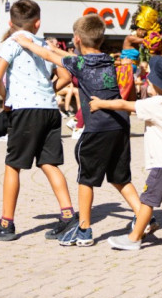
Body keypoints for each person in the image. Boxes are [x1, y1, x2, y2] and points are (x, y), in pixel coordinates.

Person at [14, 14, 148, 247]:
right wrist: (51, 47)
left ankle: (84, 230)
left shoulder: (80, 63)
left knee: (86, 179)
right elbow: (72, 57)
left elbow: (49, 57)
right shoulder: (107, 59)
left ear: (76, 38)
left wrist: (28, 44)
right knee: (120, 177)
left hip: (96, 130)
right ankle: (144, 217)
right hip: (119, 125)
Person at [91, 55, 162, 250]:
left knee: (147, 200)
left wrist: (100, 104)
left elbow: (124, 105)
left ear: (158, 86)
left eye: (150, 81)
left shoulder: (156, 105)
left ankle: (134, 237)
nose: (147, 84)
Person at [0, 0, 75, 242]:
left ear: (10, 23)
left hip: (25, 111)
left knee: (13, 165)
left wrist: (7, 97)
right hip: (50, 110)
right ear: (38, 23)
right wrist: (47, 90)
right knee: (49, 163)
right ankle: (68, 216)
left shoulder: (10, 43)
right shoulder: (44, 45)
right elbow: (65, 76)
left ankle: (6, 222)